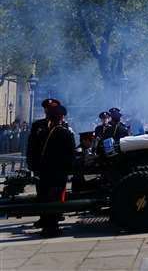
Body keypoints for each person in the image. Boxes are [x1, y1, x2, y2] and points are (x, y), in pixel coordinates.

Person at [26, 98, 75, 237]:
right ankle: (50, 225)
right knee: (51, 197)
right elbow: (33, 147)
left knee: (47, 196)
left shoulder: (54, 129)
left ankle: (49, 223)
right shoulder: (46, 128)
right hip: (54, 170)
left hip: (46, 170)